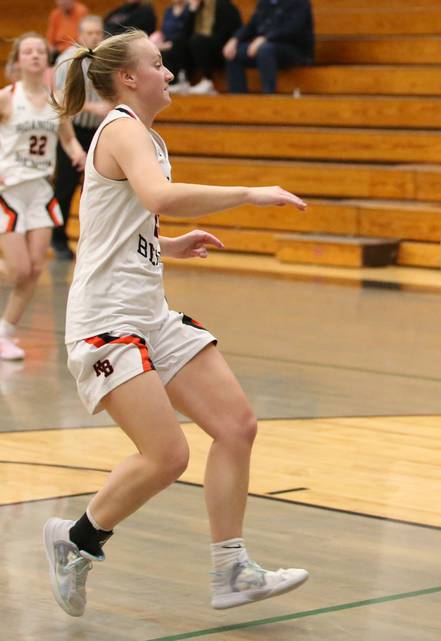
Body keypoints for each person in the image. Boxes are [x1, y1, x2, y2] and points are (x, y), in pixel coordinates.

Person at [44, 29, 309, 616]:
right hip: (107, 321)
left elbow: (118, 227)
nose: (168, 74)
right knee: (167, 456)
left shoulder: (147, 137)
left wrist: (164, 246)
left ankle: (232, 570)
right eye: (158, 65)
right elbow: (158, 197)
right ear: (129, 78)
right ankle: (78, 538)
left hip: (149, 313)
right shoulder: (120, 128)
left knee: (237, 424)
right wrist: (248, 192)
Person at [0, 33, 86, 360]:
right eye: (28, 51)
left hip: (40, 192)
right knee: (20, 271)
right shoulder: (7, 98)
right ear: (18, 60)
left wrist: (80, 155)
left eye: (40, 51)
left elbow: (68, 139)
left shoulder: (56, 100)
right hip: (9, 191)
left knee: (35, 269)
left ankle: (5, 331)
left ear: (46, 60)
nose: (35, 55)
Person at [52, 15, 111, 260]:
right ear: (80, 34)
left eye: (98, 32)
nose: (94, 37)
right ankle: (58, 238)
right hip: (73, 129)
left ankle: (99, 243)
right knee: (65, 187)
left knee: (101, 188)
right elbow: (59, 96)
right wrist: (91, 107)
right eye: (89, 33)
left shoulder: (109, 59)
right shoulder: (68, 60)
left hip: (102, 131)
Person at [223, 0, 314, 94]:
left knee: (265, 50)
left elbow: (292, 30)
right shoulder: (264, 3)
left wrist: (266, 38)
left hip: (295, 50)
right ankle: (238, 98)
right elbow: (251, 26)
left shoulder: (299, 3)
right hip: (267, 48)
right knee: (233, 53)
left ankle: (268, 96)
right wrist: (235, 39)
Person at [150, 0, 193, 91]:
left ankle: (182, 80)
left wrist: (170, 44)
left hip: (183, 43)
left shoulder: (189, 9)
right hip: (167, 43)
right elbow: (164, 30)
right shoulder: (168, 10)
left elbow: (188, 31)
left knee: (177, 45)